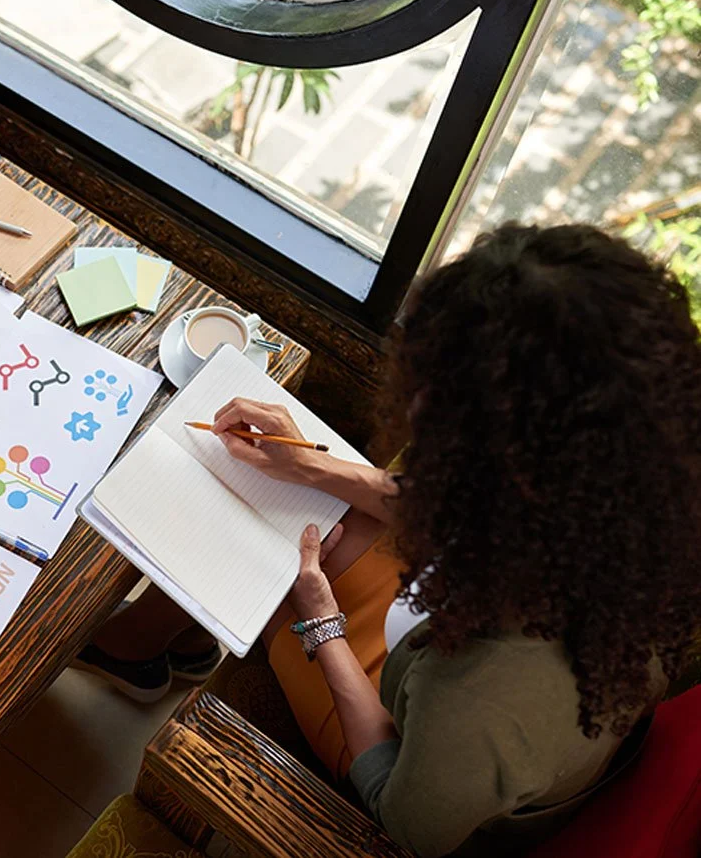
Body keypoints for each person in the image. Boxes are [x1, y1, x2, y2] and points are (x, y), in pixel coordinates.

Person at [76, 224, 701, 856]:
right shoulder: (625, 509)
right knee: (291, 507)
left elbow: (405, 820)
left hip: (412, 747)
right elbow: (446, 508)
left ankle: (133, 645)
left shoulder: (482, 702)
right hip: (453, 662)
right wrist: (306, 464)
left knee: (255, 546)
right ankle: (161, 643)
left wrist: (322, 623)